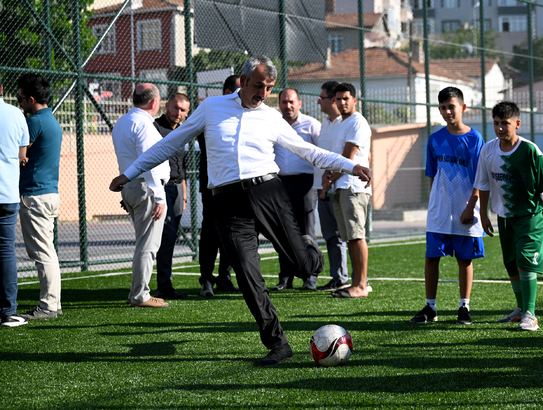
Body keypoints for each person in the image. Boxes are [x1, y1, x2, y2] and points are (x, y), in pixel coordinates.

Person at [109, 56, 371, 365]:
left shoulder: (271, 117)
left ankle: (309, 253)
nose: (263, 93)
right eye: (259, 85)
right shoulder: (211, 108)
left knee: (303, 267)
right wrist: (130, 172)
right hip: (228, 203)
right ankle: (278, 344)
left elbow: (309, 151)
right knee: (248, 276)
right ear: (243, 82)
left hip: (268, 193)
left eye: (269, 88)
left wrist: (350, 166)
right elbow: (171, 143)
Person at [474, 101, 543, 331]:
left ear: (517, 123)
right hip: (503, 217)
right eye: (496, 123)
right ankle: (519, 309)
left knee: (526, 261)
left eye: (505, 123)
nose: (499, 128)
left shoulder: (530, 150)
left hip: (530, 216)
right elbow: (483, 184)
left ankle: (530, 314)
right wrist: (484, 215)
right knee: (512, 264)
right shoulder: (487, 150)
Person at [409, 87, 485, 325]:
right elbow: (432, 175)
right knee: (432, 257)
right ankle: (430, 308)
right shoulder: (435, 139)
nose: (447, 111)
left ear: (463, 107)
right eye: (442, 107)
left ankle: (464, 307)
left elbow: (480, 178)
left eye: (451, 106)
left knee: (465, 260)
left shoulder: (475, 139)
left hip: (466, 210)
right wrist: (435, 205)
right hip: (440, 212)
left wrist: (470, 206)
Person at [112, 83, 170, 308]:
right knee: (148, 245)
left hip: (132, 186)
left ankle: (137, 292)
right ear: (154, 102)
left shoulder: (123, 121)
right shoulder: (143, 124)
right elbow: (150, 162)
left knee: (143, 243)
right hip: (146, 186)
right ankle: (140, 295)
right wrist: (159, 196)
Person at [16, 73, 64, 320]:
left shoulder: (34, 123)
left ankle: (48, 306)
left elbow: (20, 155)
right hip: (47, 193)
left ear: (31, 99)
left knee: (42, 253)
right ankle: (52, 304)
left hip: (35, 195)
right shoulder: (52, 120)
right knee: (48, 251)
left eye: (21, 98)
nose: (19, 103)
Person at [323, 83, 372, 298]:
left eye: (346, 98)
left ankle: (361, 285)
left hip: (353, 187)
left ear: (355, 100)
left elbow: (347, 159)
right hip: (341, 186)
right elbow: (336, 160)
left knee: (357, 235)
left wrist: (331, 177)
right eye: (339, 99)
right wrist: (329, 176)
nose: (342, 103)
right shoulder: (340, 124)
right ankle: (357, 283)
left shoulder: (357, 122)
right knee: (350, 237)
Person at [271, 88, 321, 292]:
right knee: (283, 231)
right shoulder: (273, 124)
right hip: (280, 183)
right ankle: (285, 277)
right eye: (284, 102)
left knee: (307, 231)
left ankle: (310, 276)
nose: (288, 106)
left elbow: (322, 153)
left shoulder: (312, 125)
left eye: (291, 102)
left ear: (299, 103)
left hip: (305, 183)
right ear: (279, 104)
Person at [197, 75, 241, 297]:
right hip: (213, 185)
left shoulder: (243, 115)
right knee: (210, 233)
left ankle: (225, 277)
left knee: (231, 231)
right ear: (227, 92)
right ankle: (206, 279)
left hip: (236, 184)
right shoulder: (210, 112)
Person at [313, 81, 350, 292]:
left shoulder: (345, 124)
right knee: (330, 235)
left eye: (322, 97)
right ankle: (338, 276)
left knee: (344, 235)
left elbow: (346, 158)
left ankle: (348, 278)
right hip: (324, 187)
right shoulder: (325, 124)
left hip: (339, 186)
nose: (319, 100)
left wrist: (330, 181)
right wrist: (323, 186)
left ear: (332, 100)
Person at [153, 92, 190, 300]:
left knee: (171, 237)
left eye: (183, 110)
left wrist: (183, 196)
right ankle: (162, 286)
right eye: (175, 108)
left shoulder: (183, 130)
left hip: (176, 190)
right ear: (167, 106)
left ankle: (164, 284)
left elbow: (182, 167)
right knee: (165, 236)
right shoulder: (155, 128)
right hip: (160, 188)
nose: (178, 113)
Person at [0, 77, 30, 327]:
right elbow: (23, 155)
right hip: (6, 193)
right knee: (5, 251)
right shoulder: (15, 114)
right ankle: (8, 311)